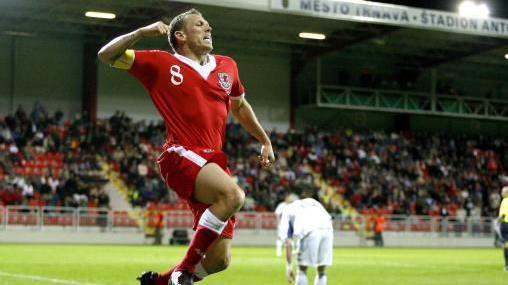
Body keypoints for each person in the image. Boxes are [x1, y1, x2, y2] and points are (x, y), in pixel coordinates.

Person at [97, 8, 275, 285]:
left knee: (219, 261)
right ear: (179, 35)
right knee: (234, 196)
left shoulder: (227, 66)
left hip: (213, 162)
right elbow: (106, 55)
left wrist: (264, 140)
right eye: (200, 25)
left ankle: (160, 282)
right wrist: (141, 33)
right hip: (180, 153)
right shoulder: (160, 63)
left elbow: (239, 107)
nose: (208, 29)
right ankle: (183, 272)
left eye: (208, 25)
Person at [279, 189, 334, 285]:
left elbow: (288, 243)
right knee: (321, 270)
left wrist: (289, 267)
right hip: (328, 230)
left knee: (302, 269)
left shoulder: (286, 210)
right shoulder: (313, 202)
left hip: (310, 231)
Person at [497, 186, 508, 271]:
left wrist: (498, 220)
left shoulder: (505, 201)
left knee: (505, 245)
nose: (501, 193)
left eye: (502, 192)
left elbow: (503, 215)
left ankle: (507, 265)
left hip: (505, 224)